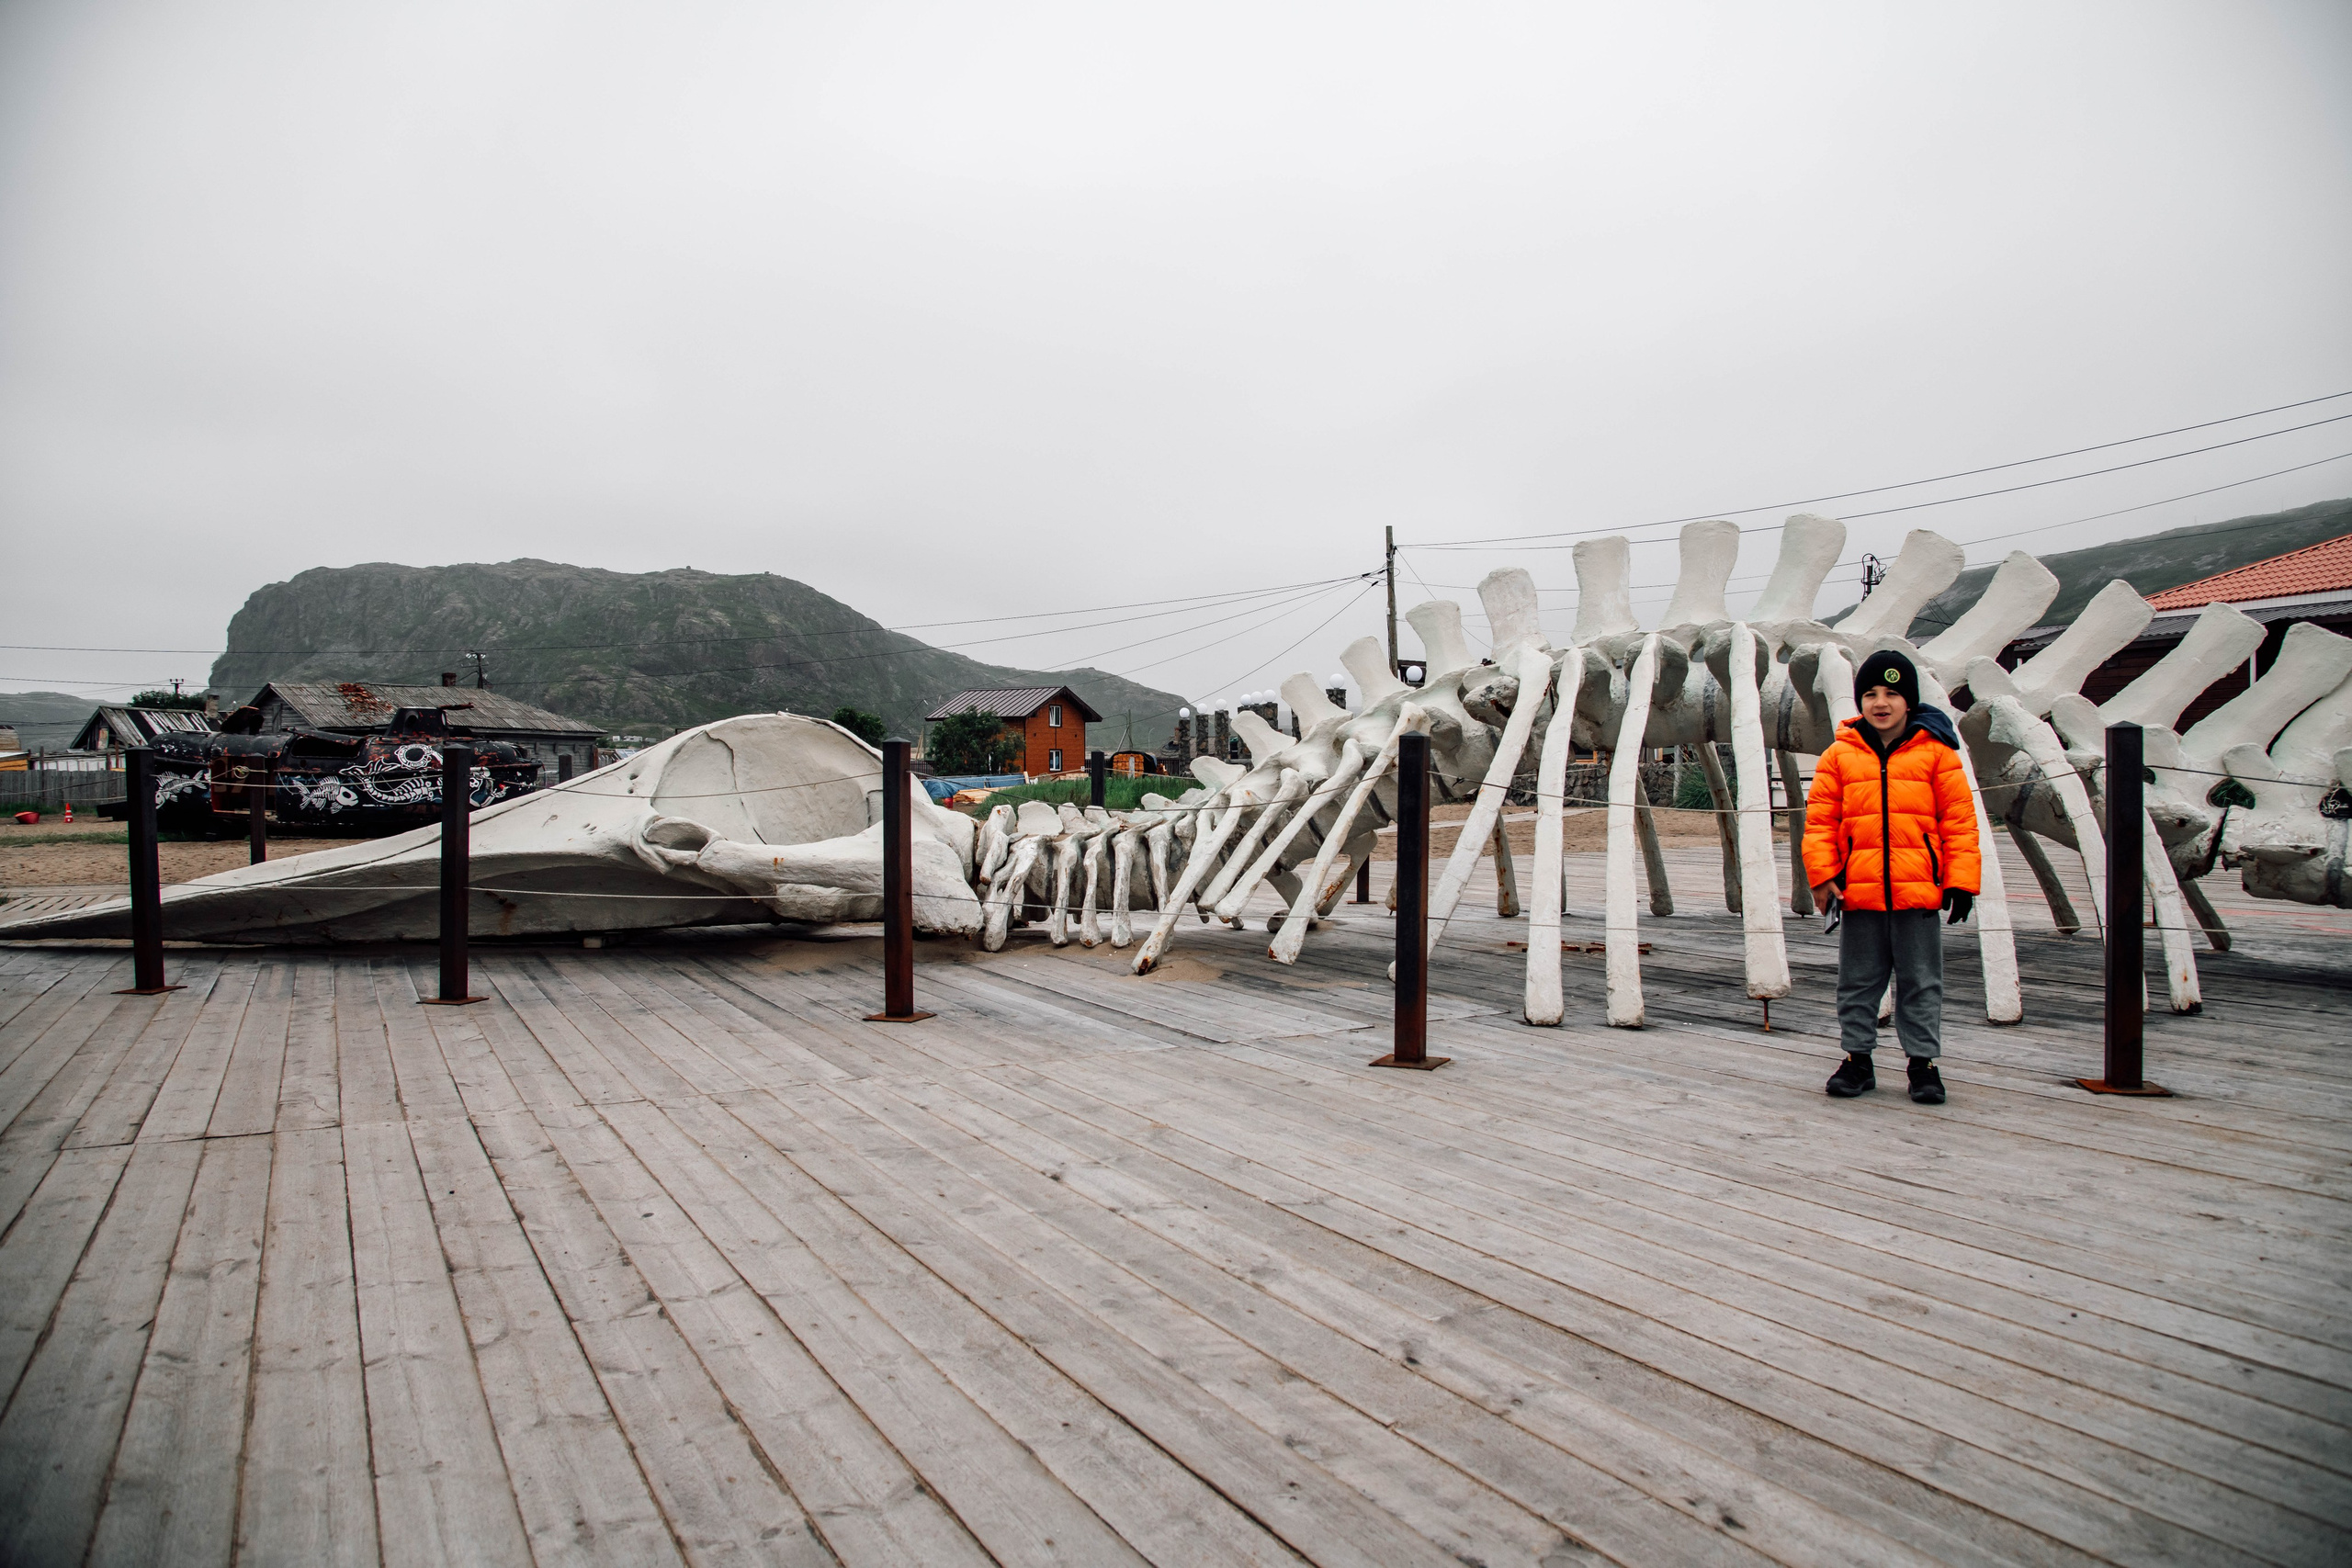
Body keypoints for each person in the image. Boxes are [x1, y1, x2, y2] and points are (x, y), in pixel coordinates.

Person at [1802, 649, 1979, 1104]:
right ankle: (1857, 1059)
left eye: (1892, 694)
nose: (1881, 703)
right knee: (1858, 978)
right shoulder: (1838, 757)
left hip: (1918, 890)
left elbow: (1958, 821)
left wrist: (1960, 880)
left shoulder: (1938, 755)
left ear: (1909, 701)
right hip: (1858, 890)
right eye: (1871, 694)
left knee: (1921, 978)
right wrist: (1822, 878)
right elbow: (1820, 822)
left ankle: (1923, 1063)